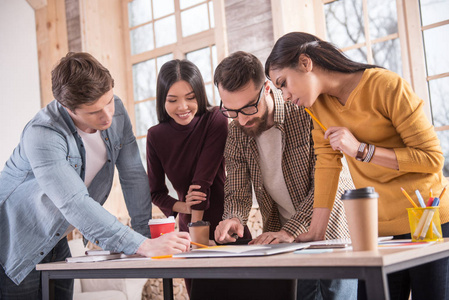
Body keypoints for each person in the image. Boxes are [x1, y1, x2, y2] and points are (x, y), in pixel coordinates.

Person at [265, 31, 449, 300]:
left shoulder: (385, 85)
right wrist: (315, 232)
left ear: (306, 63)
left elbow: (431, 158)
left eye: (283, 83)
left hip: (429, 223)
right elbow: (327, 166)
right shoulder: (316, 107)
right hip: (379, 233)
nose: (284, 95)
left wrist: (363, 151)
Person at [0, 52, 190, 299]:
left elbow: (132, 173)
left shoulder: (117, 110)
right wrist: (141, 246)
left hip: (56, 236)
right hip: (14, 241)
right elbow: (74, 202)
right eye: (94, 112)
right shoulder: (43, 134)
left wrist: (144, 235)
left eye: (109, 102)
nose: (108, 116)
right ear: (68, 108)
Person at [214, 51, 357, 300]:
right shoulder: (236, 132)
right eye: (232, 111)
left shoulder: (305, 113)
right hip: (287, 246)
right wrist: (234, 218)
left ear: (268, 88)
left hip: (333, 236)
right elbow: (236, 190)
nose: (242, 119)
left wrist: (291, 230)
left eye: (249, 107)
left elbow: (330, 183)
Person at [146, 59, 252, 295]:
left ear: (200, 95)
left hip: (228, 225)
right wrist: (183, 207)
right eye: (172, 100)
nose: (182, 106)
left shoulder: (215, 118)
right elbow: (155, 192)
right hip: (191, 236)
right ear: (162, 100)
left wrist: (198, 230)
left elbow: (201, 183)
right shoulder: (155, 136)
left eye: (190, 97)